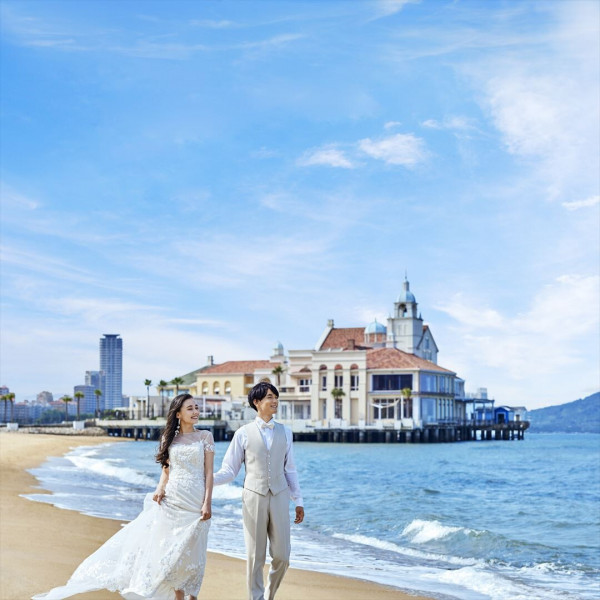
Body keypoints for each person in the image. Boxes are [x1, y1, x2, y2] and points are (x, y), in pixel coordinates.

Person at [32, 393, 215, 600]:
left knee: (194, 555)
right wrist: (159, 489)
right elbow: (166, 471)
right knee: (171, 554)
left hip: (195, 502)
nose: (196, 412)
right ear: (178, 414)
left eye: (197, 407)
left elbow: (208, 472)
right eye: (190, 408)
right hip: (173, 499)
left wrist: (207, 502)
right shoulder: (169, 438)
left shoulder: (205, 437)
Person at [214, 381, 304, 600]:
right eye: (270, 397)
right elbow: (229, 470)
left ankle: (269, 594)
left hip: (281, 495)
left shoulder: (286, 432)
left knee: (282, 555)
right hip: (253, 496)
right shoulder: (243, 434)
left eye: (276, 397)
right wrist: (206, 480)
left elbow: (289, 468)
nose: (275, 401)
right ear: (257, 402)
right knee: (255, 556)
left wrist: (298, 500)